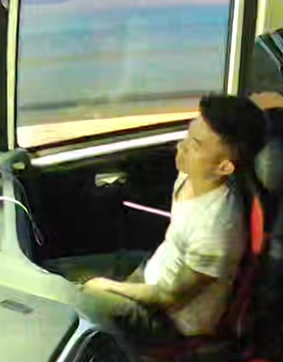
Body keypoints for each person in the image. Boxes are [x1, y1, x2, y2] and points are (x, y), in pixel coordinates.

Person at [60, 94, 268, 344]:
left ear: (224, 167)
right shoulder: (192, 174)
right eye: (187, 135)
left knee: (68, 302)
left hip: (169, 321)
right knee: (57, 276)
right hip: (153, 271)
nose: (181, 146)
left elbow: (167, 298)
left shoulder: (216, 230)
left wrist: (105, 285)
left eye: (195, 145)